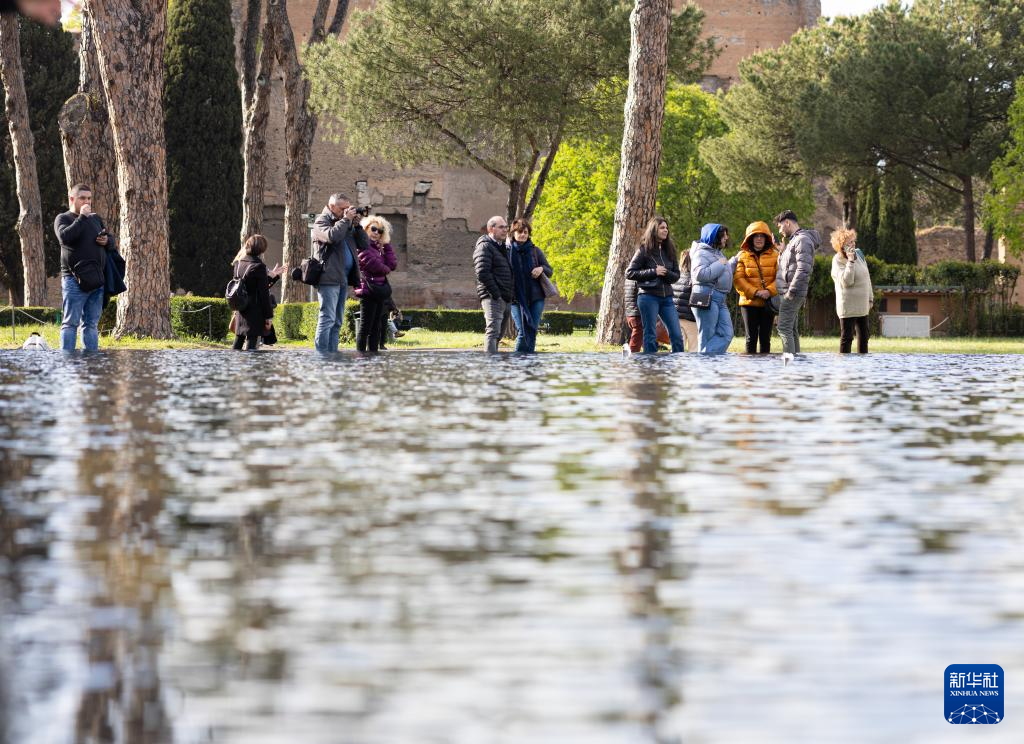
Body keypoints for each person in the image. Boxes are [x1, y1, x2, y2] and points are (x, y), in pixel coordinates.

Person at [54, 184, 114, 351]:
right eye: (82, 198)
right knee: (70, 323)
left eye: (89, 198)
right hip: (74, 281)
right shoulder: (63, 218)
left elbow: (110, 239)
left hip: (97, 280)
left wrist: (107, 241)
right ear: (72, 199)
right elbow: (65, 238)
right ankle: (68, 361)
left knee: (91, 324)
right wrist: (81, 217)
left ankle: (91, 362)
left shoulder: (95, 218)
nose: (87, 201)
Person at [310, 193, 366, 352]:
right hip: (328, 277)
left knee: (337, 321)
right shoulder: (321, 221)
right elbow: (332, 236)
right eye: (343, 208)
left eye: (348, 208)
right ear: (332, 206)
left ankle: (332, 353)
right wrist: (346, 220)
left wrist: (357, 226)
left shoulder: (345, 223)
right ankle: (322, 354)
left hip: (342, 278)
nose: (346, 211)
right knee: (327, 318)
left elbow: (364, 245)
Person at [625, 217, 685, 354]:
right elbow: (630, 273)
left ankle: (678, 361)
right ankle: (650, 365)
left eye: (666, 228)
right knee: (650, 334)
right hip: (648, 297)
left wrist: (665, 273)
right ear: (654, 230)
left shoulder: (669, 250)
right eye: (662, 228)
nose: (666, 230)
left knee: (676, 334)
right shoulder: (643, 250)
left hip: (667, 299)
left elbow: (676, 275)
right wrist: (654, 272)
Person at [774, 209, 818, 355]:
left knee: (783, 328)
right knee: (791, 329)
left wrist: (791, 291)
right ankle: (795, 364)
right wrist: (782, 252)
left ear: (787, 223)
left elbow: (804, 269)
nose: (780, 231)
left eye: (780, 227)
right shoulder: (795, 240)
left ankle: (789, 364)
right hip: (790, 291)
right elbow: (788, 267)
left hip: (792, 292)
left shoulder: (802, 240)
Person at [506, 218, 554, 353]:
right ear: (513, 233)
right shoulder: (508, 252)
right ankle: (518, 363)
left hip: (536, 297)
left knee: (532, 330)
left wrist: (541, 269)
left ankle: (530, 362)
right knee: (522, 331)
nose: (523, 235)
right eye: (520, 232)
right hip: (516, 298)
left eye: (525, 232)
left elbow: (549, 270)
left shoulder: (535, 251)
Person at [230, 234, 284, 351]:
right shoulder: (258, 266)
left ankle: (233, 367)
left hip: (241, 308)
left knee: (238, 339)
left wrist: (272, 276)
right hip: (255, 311)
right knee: (252, 343)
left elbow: (248, 285)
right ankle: (252, 369)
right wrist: (268, 317)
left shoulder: (239, 264)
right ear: (262, 249)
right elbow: (263, 294)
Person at [689, 223, 737, 354]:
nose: (726, 238)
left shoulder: (718, 254)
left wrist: (735, 260)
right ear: (714, 237)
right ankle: (705, 366)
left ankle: (706, 359)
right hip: (706, 296)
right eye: (723, 235)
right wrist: (720, 264)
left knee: (727, 333)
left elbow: (722, 272)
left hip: (720, 299)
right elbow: (699, 274)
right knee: (707, 336)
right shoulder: (700, 253)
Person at [733, 221, 780, 354]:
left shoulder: (776, 255)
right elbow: (738, 279)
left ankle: (766, 371)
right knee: (750, 338)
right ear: (750, 238)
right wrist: (756, 292)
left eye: (762, 235)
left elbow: (780, 278)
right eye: (756, 235)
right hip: (749, 303)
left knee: (765, 339)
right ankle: (750, 370)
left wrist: (769, 291)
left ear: (767, 238)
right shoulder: (742, 256)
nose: (759, 238)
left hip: (768, 303)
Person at [355, 215, 398, 352]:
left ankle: (373, 355)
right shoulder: (362, 246)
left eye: (380, 231)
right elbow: (374, 265)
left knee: (377, 326)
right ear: (366, 229)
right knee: (365, 327)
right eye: (373, 229)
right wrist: (385, 269)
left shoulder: (380, 248)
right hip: (367, 290)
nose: (376, 233)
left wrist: (387, 246)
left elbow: (392, 264)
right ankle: (361, 355)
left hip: (379, 290)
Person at [474, 216, 514, 353]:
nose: (505, 230)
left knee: (499, 334)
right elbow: (482, 272)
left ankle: (496, 366)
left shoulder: (502, 247)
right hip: (493, 297)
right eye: (501, 227)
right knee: (492, 332)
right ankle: (490, 365)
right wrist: (496, 294)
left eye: (506, 227)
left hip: (505, 297)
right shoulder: (484, 246)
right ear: (491, 229)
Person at [830, 228, 873, 353]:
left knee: (864, 337)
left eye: (853, 241)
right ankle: (845, 366)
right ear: (841, 246)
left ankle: (863, 365)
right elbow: (847, 281)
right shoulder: (837, 260)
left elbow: (867, 277)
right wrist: (850, 261)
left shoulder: (859, 254)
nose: (853, 245)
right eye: (849, 243)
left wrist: (870, 298)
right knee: (847, 337)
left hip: (862, 305)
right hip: (848, 306)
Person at [624, 278, 672, 354]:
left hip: (630, 313)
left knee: (645, 341)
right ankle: (630, 361)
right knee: (635, 346)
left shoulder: (630, 277)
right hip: (638, 314)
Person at [671, 250, 699, 352]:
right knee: (694, 349)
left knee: (677, 349)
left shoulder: (675, 278)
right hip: (690, 318)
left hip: (675, 318)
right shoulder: (694, 279)